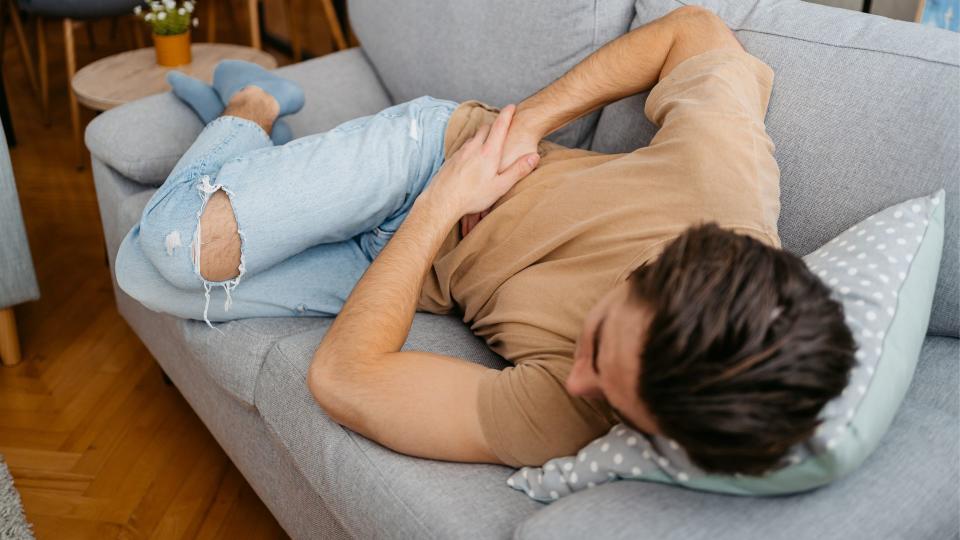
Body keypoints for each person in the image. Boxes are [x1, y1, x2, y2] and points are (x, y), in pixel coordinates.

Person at [116, 6, 856, 474]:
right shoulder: (724, 180)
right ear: (665, 266)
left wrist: (442, 211)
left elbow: (343, 381)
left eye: (624, 411)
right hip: (434, 152)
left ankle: (249, 145)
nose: (578, 384)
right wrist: (526, 124)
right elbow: (692, 28)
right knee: (178, 246)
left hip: (412, 254)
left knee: (145, 277)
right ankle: (256, 98)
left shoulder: (571, 414)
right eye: (597, 349)